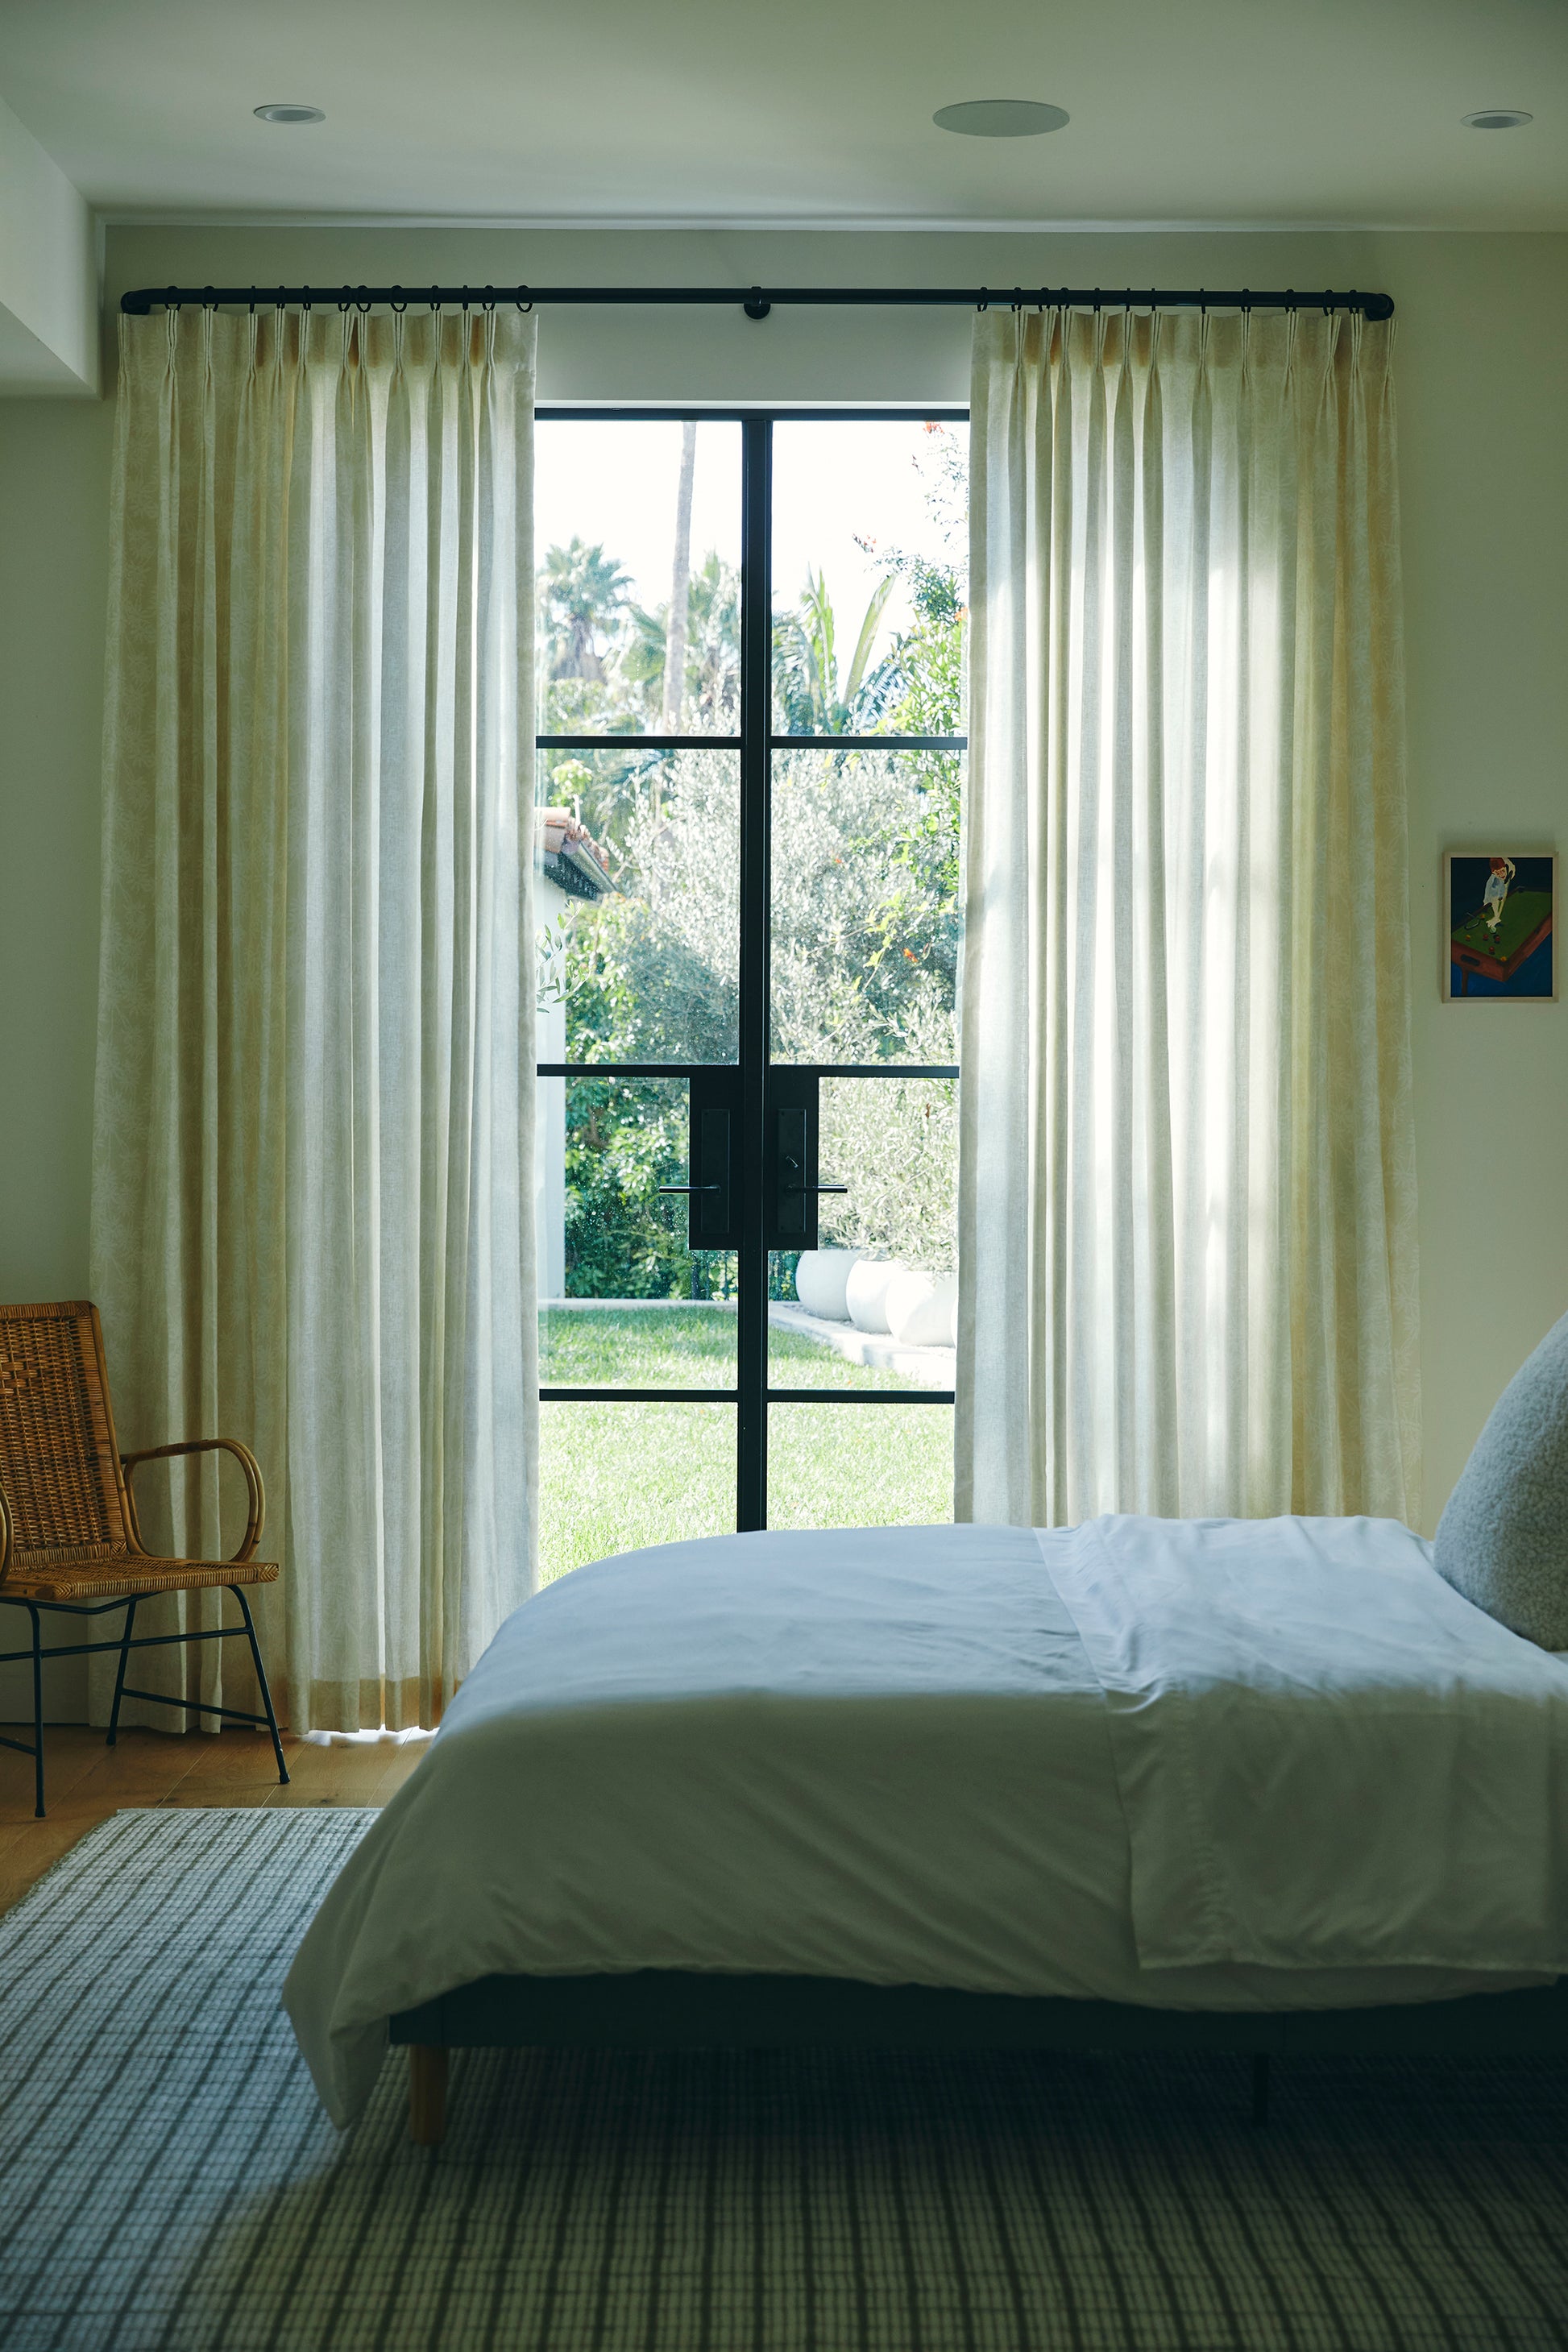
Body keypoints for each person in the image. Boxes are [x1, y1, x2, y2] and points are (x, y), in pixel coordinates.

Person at [1483, 855, 1516, 936]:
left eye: (1502, 871)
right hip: (1494, 891)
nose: (1501, 874)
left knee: (1501, 896)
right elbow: (1487, 890)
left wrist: (1510, 875)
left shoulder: (1509, 866)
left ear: (1505, 867)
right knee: (1495, 899)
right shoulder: (1492, 880)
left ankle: (1496, 918)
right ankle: (1496, 917)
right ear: (1493, 873)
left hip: (1503, 887)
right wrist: (1486, 902)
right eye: (1497, 873)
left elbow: (1512, 868)